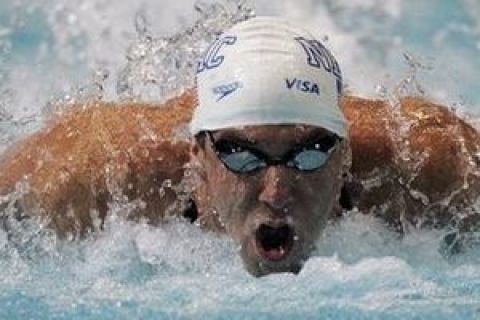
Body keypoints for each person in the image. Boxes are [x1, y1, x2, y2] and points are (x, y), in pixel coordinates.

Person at [0, 17, 479, 276]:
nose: (276, 191)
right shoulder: (98, 177)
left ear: (347, 155)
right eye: (242, 154)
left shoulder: (433, 166)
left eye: (310, 151)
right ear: (198, 156)